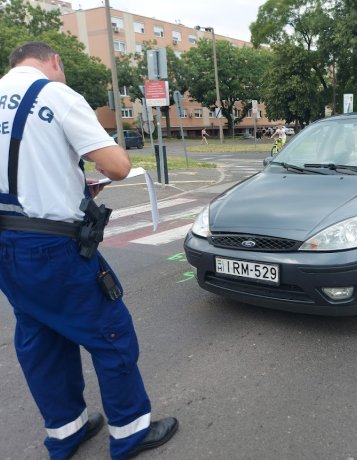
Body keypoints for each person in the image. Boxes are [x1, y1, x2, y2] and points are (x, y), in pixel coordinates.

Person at [0, 42, 178, 460]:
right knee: (110, 330)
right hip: (53, 245)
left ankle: (66, 434)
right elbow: (116, 165)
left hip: (7, 242)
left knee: (41, 339)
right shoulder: (55, 94)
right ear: (54, 62)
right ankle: (130, 432)